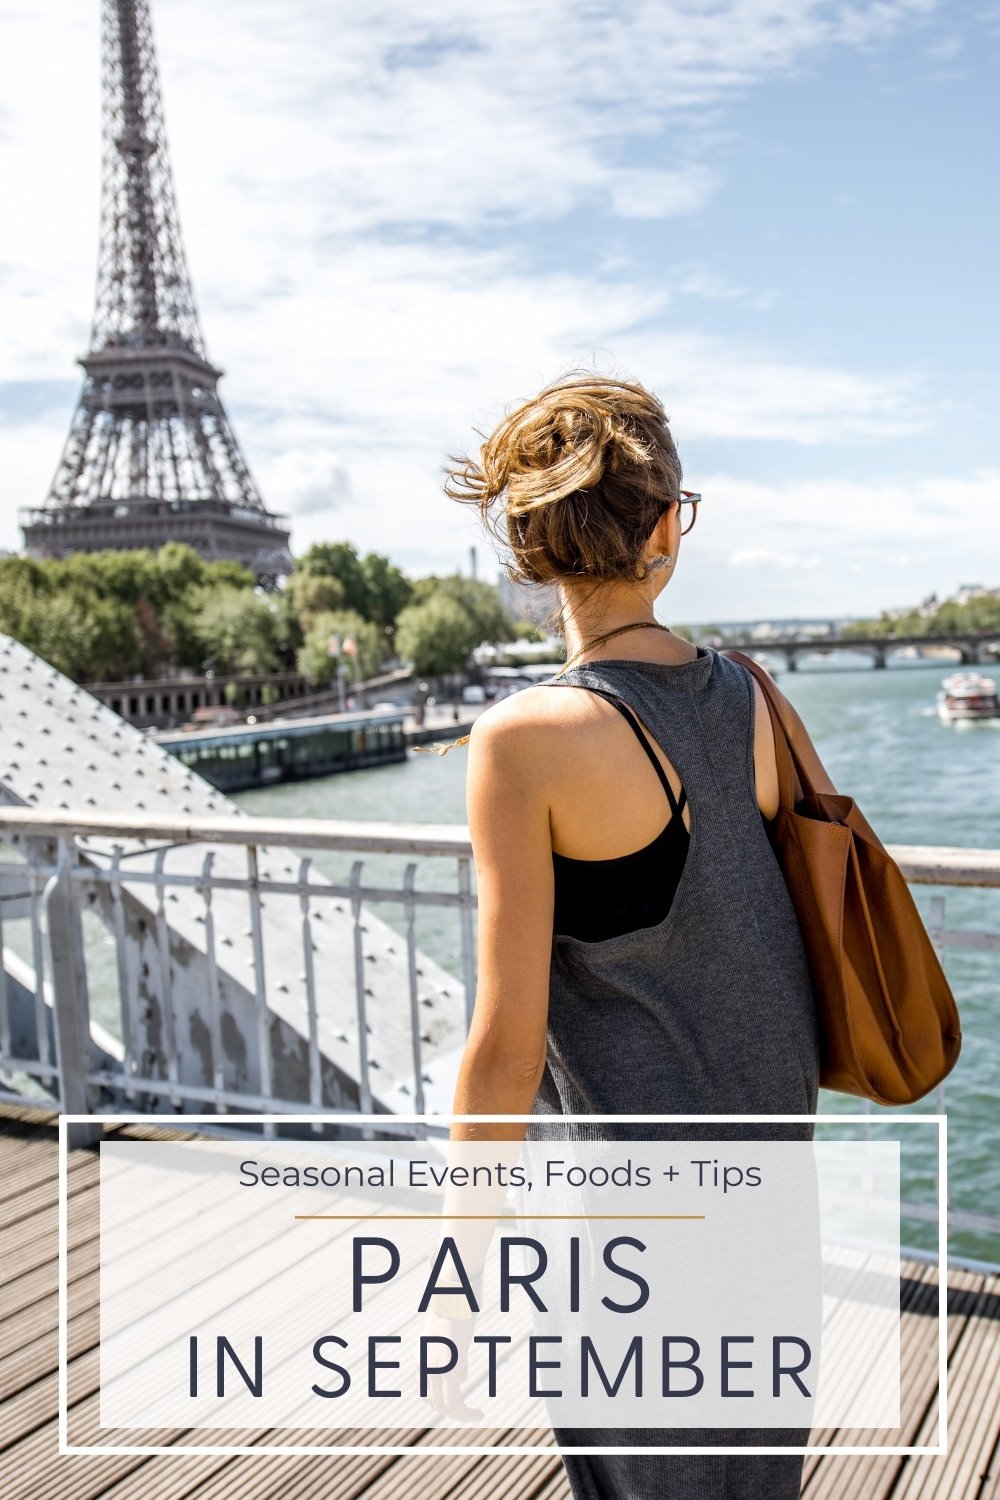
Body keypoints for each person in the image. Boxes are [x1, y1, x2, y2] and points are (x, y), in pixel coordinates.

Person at [435, 372, 838, 1497]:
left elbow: (507, 1049)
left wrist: (466, 1277)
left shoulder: (527, 743)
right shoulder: (751, 697)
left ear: (530, 554)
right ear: (668, 528)